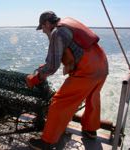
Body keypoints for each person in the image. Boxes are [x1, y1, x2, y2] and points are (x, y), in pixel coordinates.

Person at [26, 11, 108, 149]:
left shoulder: (57, 33)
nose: (43, 31)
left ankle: (47, 142)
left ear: (47, 23)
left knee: (59, 103)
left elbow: (52, 66)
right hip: (102, 65)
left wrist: (36, 78)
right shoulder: (68, 25)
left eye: (42, 28)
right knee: (93, 97)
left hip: (86, 71)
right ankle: (90, 130)